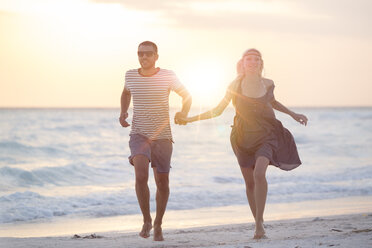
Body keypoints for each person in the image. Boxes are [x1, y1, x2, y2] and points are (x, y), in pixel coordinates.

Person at [175, 48, 307, 239]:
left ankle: (259, 224)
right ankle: (258, 223)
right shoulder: (234, 85)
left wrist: (293, 114)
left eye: (256, 59)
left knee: (259, 173)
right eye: (248, 59)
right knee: (250, 182)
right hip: (243, 137)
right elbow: (218, 110)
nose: (252, 62)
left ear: (261, 64)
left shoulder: (268, 83)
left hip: (267, 133)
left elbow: (273, 103)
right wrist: (190, 119)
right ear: (243, 64)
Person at [119, 41, 191, 241]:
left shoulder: (167, 75)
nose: (144, 57)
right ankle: (147, 220)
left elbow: (187, 95)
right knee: (141, 176)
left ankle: (159, 222)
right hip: (139, 134)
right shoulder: (130, 75)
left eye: (148, 54)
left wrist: (184, 112)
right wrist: (123, 111)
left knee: (162, 182)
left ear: (156, 56)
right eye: (140, 54)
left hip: (163, 136)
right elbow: (126, 92)